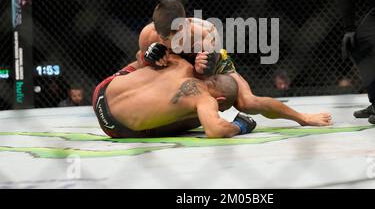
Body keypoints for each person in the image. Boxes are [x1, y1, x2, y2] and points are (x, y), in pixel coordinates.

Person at [137, 0, 332, 127]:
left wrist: (200, 67)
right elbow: (141, 65)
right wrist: (149, 57)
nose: (170, 44)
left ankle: (303, 118)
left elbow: (209, 75)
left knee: (248, 101)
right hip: (174, 68)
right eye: (164, 39)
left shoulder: (205, 32)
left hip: (211, 64)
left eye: (176, 37)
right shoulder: (148, 35)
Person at [92, 54, 330, 139]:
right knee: (192, 116)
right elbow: (215, 131)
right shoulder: (205, 99)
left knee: (150, 65)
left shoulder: (180, 62)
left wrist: (147, 56)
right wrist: (240, 125)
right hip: (115, 128)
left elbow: (144, 52)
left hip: (102, 90)